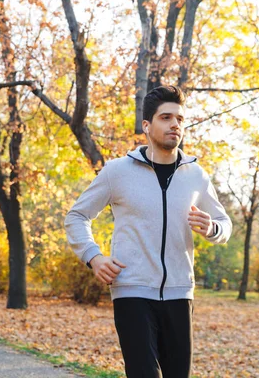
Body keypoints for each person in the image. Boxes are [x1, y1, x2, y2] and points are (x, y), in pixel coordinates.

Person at [64, 85, 232, 378]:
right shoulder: (118, 171)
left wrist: (213, 228)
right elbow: (77, 216)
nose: (175, 124)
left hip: (180, 294)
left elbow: (225, 225)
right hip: (132, 291)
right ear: (147, 125)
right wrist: (94, 257)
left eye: (179, 118)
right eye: (166, 117)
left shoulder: (196, 176)